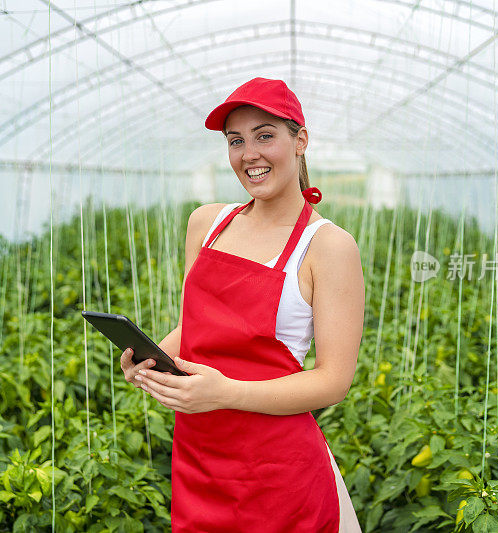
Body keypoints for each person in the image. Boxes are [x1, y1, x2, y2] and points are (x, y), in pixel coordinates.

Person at [120, 77, 364, 532]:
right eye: (236, 141)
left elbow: (334, 381)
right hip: (200, 461)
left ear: (300, 141)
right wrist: (154, 357)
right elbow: (196, 327)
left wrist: (226, 393)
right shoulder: (207, 224)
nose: (248, 153)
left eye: (265, 135)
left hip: (279, 473)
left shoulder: (327, 247)